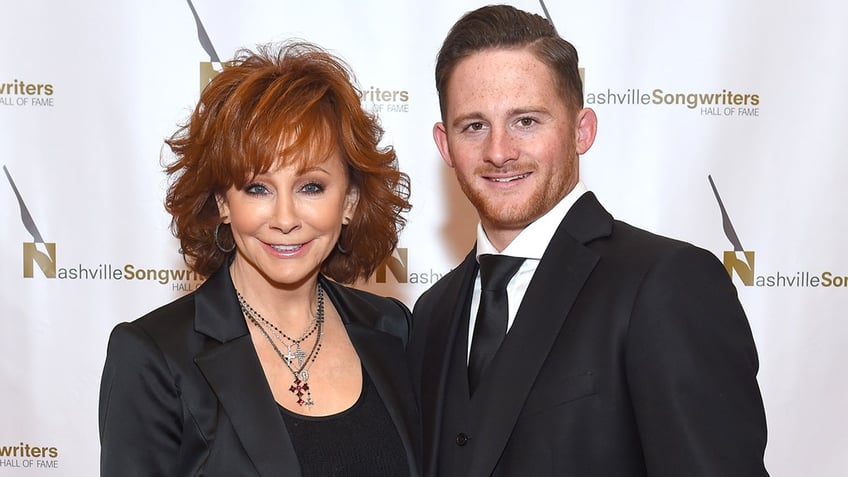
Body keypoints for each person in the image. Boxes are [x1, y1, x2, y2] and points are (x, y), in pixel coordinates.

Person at [408, 5, 769, 477]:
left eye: (526, 121)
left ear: (582, 131)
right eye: (474, 126)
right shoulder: (433, 312)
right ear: (444, 145)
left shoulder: (665, 284)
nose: (499, 151)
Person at [99, 41, 419, 476]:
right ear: (223, 203)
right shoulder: (153, 358)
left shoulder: (392, 330)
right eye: (257, 188)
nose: (285, 219)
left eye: (311, 187)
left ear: (350, 201)